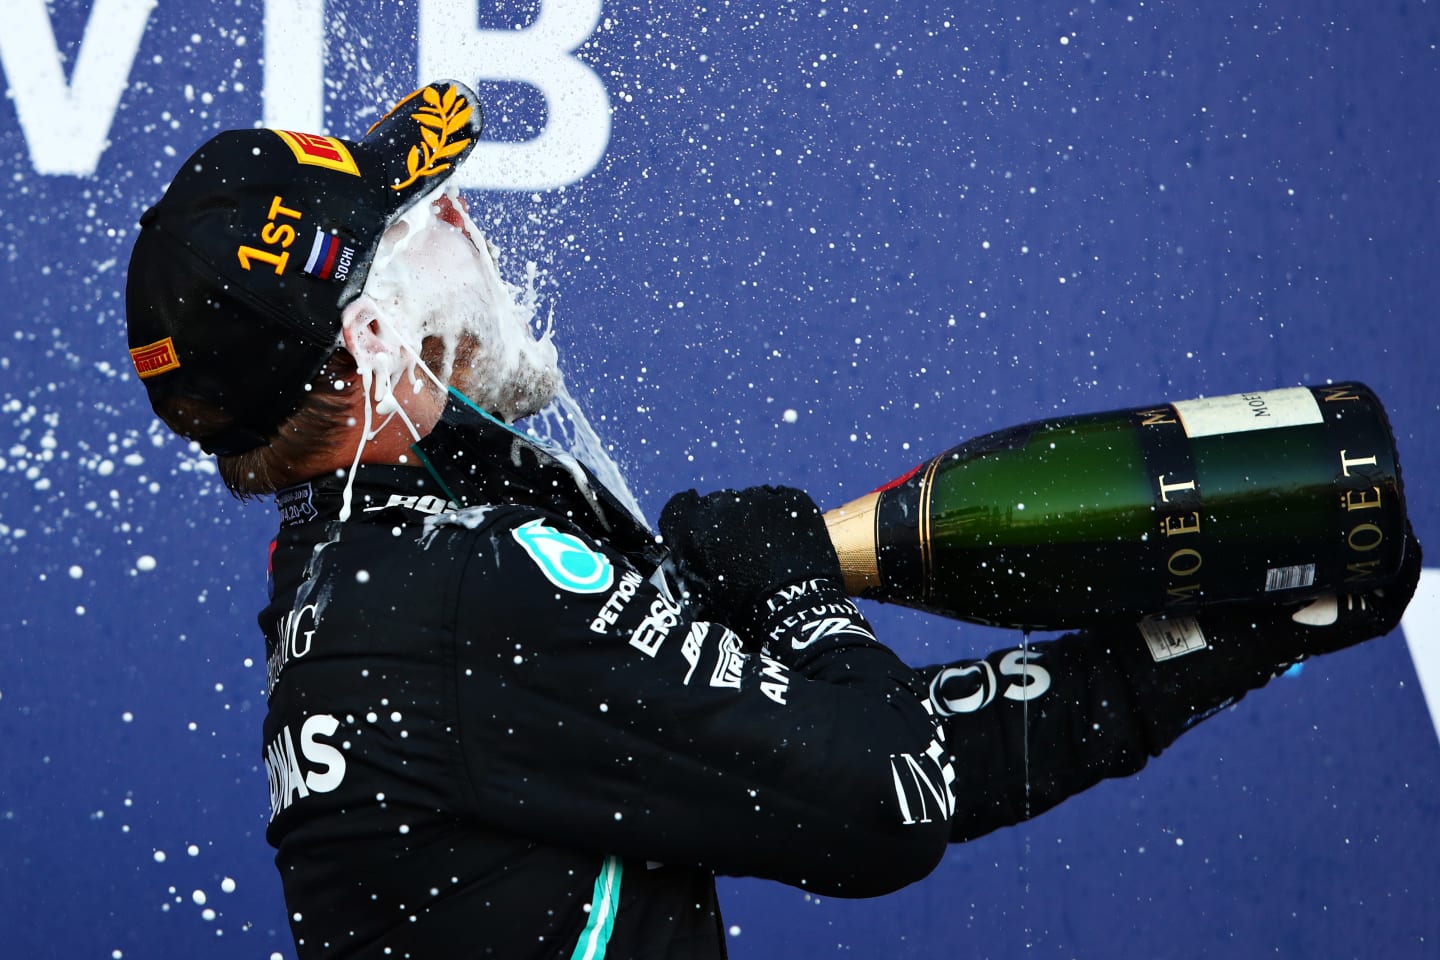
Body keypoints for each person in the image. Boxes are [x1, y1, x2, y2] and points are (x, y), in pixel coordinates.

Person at [125, 80, 1421, 960]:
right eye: (424, 221)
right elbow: (893, 791)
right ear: (367, 334)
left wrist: (1244, 622)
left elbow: (804, 719)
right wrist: (802, 596)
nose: (467, 221)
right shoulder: (441, 599)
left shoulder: (381, 551)